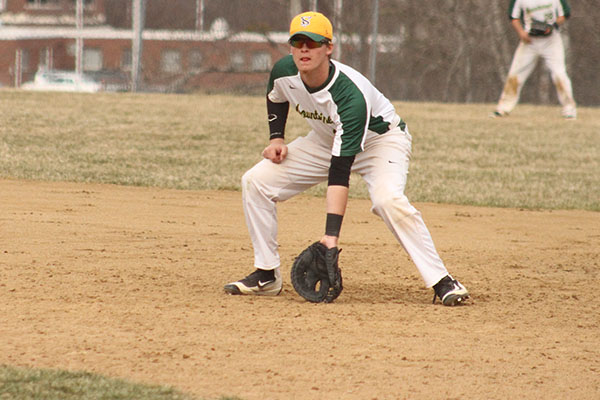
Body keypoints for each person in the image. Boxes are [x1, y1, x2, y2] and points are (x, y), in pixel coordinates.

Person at [224, 11, 469, 306]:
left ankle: (443, 281)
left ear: (329, 48)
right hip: (327, 139)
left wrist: (331, 239)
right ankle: (266, 276)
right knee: (256, 181)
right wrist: (276, 137)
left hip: (381, 142)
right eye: (298, 42)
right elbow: (276, 96)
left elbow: (339, 172)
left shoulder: (350, 95)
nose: (304, 49)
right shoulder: (284, 71)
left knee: (387, 201)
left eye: (313, 43)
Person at [492, 0, 576, 119]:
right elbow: (513, 16)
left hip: (551, 41)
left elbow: (565, 13)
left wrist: (553, 26)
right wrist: (521, 33)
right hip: (530, 41)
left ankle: (569, 110)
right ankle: (502, 109)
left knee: (559, 74)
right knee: (515, 75)